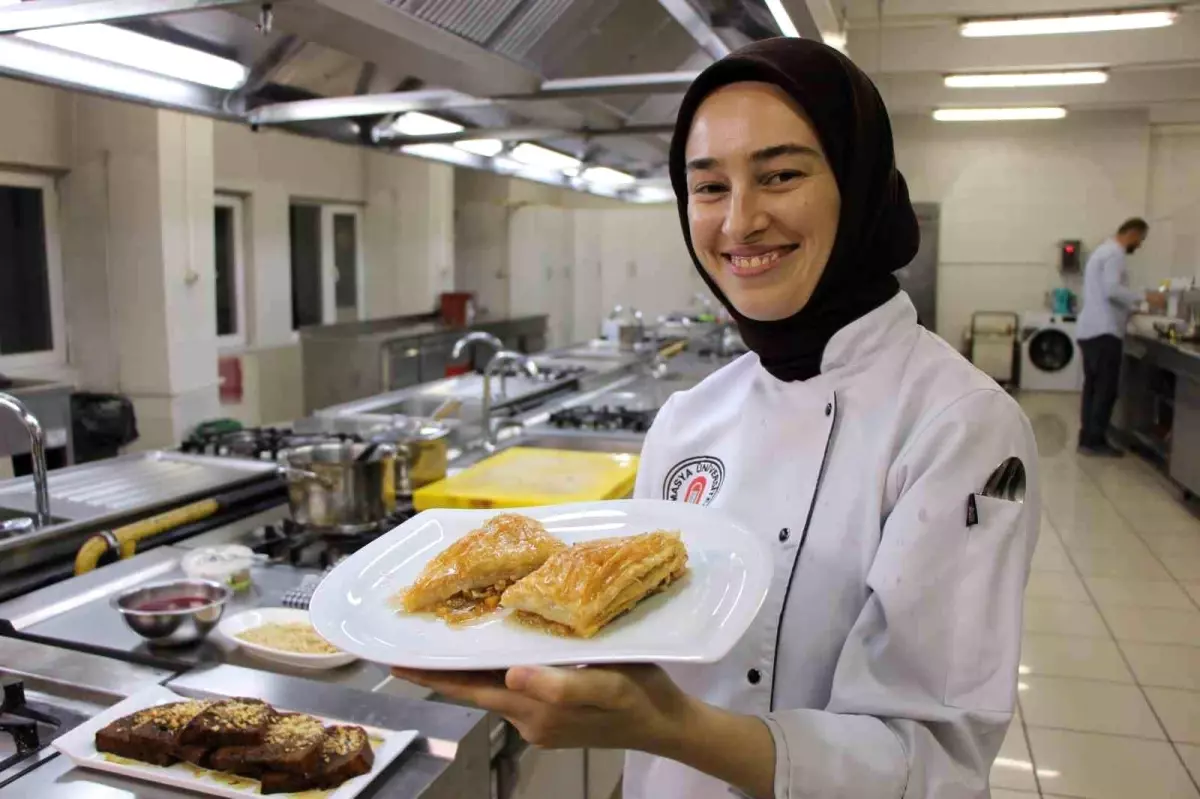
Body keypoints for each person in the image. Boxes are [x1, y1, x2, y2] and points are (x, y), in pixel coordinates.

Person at [394, 38, 1039, 798]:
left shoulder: (957, 426)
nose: (740, 221)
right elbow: (647, 643)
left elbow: (935, 765)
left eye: (781, 175)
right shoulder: (689, 416)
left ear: (859, 186)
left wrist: (667, 729)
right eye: (708, 187)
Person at [1075, 218, 1151, 457]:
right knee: (1105, 389)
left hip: (1091, 330)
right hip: (1104, 332)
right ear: (1132, 233)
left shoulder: (1102, 252)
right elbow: (1112, 290)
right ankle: (1094, 440)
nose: (1139, 245)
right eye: (1140, 239)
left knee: (1093, 388)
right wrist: (1143, 297)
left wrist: (1130, 308)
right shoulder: (1115, 254)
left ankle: (1087, 438)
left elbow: (1104, 292)